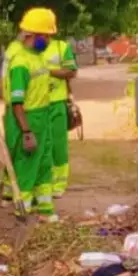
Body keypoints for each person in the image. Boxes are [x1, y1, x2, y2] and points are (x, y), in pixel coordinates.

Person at [2, 8, 59, 218]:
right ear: (31, 34)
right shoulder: (20, 63)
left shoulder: (38, 57)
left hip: (42, 116)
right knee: (27, 166)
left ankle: (45, 209)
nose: (48, 40)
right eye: (45, 35)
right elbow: (17, 102)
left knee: (43, 164)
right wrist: (26, 131)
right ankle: (23, 210)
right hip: (27, 118)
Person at [45, 37, 79, 197]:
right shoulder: (26, 48)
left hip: (57, 103)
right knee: (40, 145)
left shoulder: (61, 47)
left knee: (58, 145)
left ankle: (59, 184)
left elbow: (72, 71)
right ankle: (44, 183)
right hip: (34, 104)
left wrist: (48, 71)